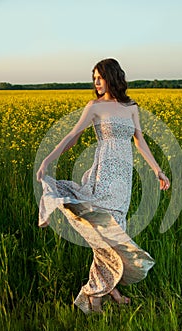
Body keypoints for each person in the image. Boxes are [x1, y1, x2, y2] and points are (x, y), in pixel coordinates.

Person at [36, 58, 170, 314]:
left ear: (112, 77)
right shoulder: (95, 107)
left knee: (115, 230)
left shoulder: (131, 106)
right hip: (104, 173)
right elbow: (71, 136)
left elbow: (140, 140)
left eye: (100, 77)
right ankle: (96, 293)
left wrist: (158, 170)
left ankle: (109, 289)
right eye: (94, 77)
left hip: (124, 177)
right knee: (106, 232)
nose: (96, 82)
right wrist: (47, 160)